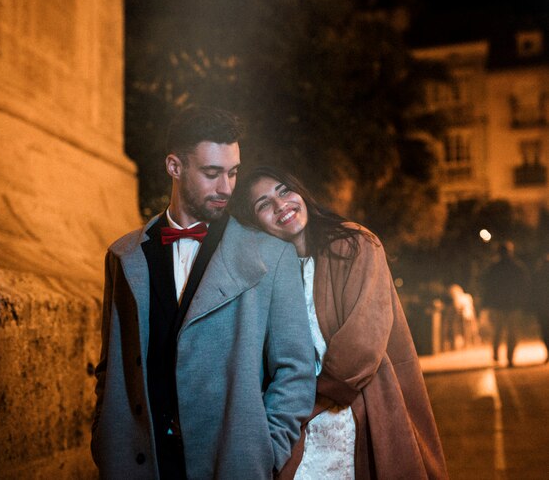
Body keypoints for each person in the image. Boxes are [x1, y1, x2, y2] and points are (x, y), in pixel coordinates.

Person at [90, 106, 316, 480]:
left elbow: (296, 370)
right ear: (174, 167)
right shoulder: (122, 256)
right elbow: (109, 365)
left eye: (233, 172)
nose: (226, 187)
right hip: (138, 465)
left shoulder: (272, 257)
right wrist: (104, 437)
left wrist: (265, 450)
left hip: (232, 464)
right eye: (212, 173)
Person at [232, 165, 448, 480]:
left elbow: (360, 348)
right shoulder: (263, 274)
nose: (281, 207)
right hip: (297, 427)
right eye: (264, 204)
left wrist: (301, 406)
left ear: (301, 192)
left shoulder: (356, 244)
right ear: (254, 222)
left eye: (284, 191)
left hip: (356, 413)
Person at [480, 241, 530, 367]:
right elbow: (524, 285)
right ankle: (509, 357)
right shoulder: (517, 267)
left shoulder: (496, 267)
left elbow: (488, 286)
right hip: (511, 305)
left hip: (501, 304)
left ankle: (499, 354)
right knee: (510, 332)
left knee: (500, 330)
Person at [528, 252, 549, 363]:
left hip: (542, 309)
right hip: (543, 307)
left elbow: (533, 292)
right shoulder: (538, 275)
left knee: (545, 331)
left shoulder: (538, 274)